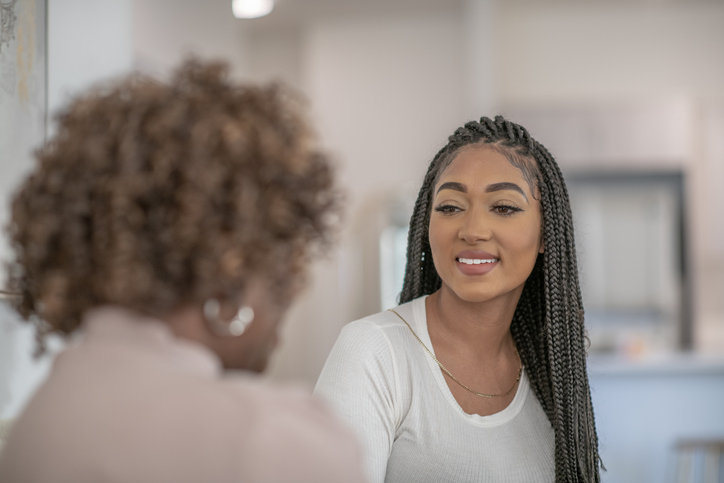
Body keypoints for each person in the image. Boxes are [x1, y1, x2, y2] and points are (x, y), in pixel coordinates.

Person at [0, 59, 367, 483]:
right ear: (232, 273)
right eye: (282, 274)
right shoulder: (273, 441)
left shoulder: (41, 419)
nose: (285, 308)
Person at [315, 116, 602, 483]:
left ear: (546, 233)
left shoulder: (546, 373)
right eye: (450, 207)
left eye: (503, 207)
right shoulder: (373, 352)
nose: (473, 231)